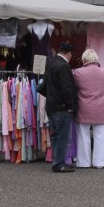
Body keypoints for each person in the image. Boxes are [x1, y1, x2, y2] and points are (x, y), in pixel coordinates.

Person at [71, 48, 104, 169]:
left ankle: (83, 162)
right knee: (101, 136)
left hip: (84, 108)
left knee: (83, 135)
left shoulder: (77, 72)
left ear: (84, 59)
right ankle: (101, 162)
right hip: (101, 108)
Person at [44, 41, 78, 173]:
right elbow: (67, 89)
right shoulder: (63, 66)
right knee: (63, 137)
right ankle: (59, 164)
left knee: (55, 136)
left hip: (51, 106)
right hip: (61, 107)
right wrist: (71, 106)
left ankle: (56, 161)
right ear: (69, 53)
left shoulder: (51, 62)